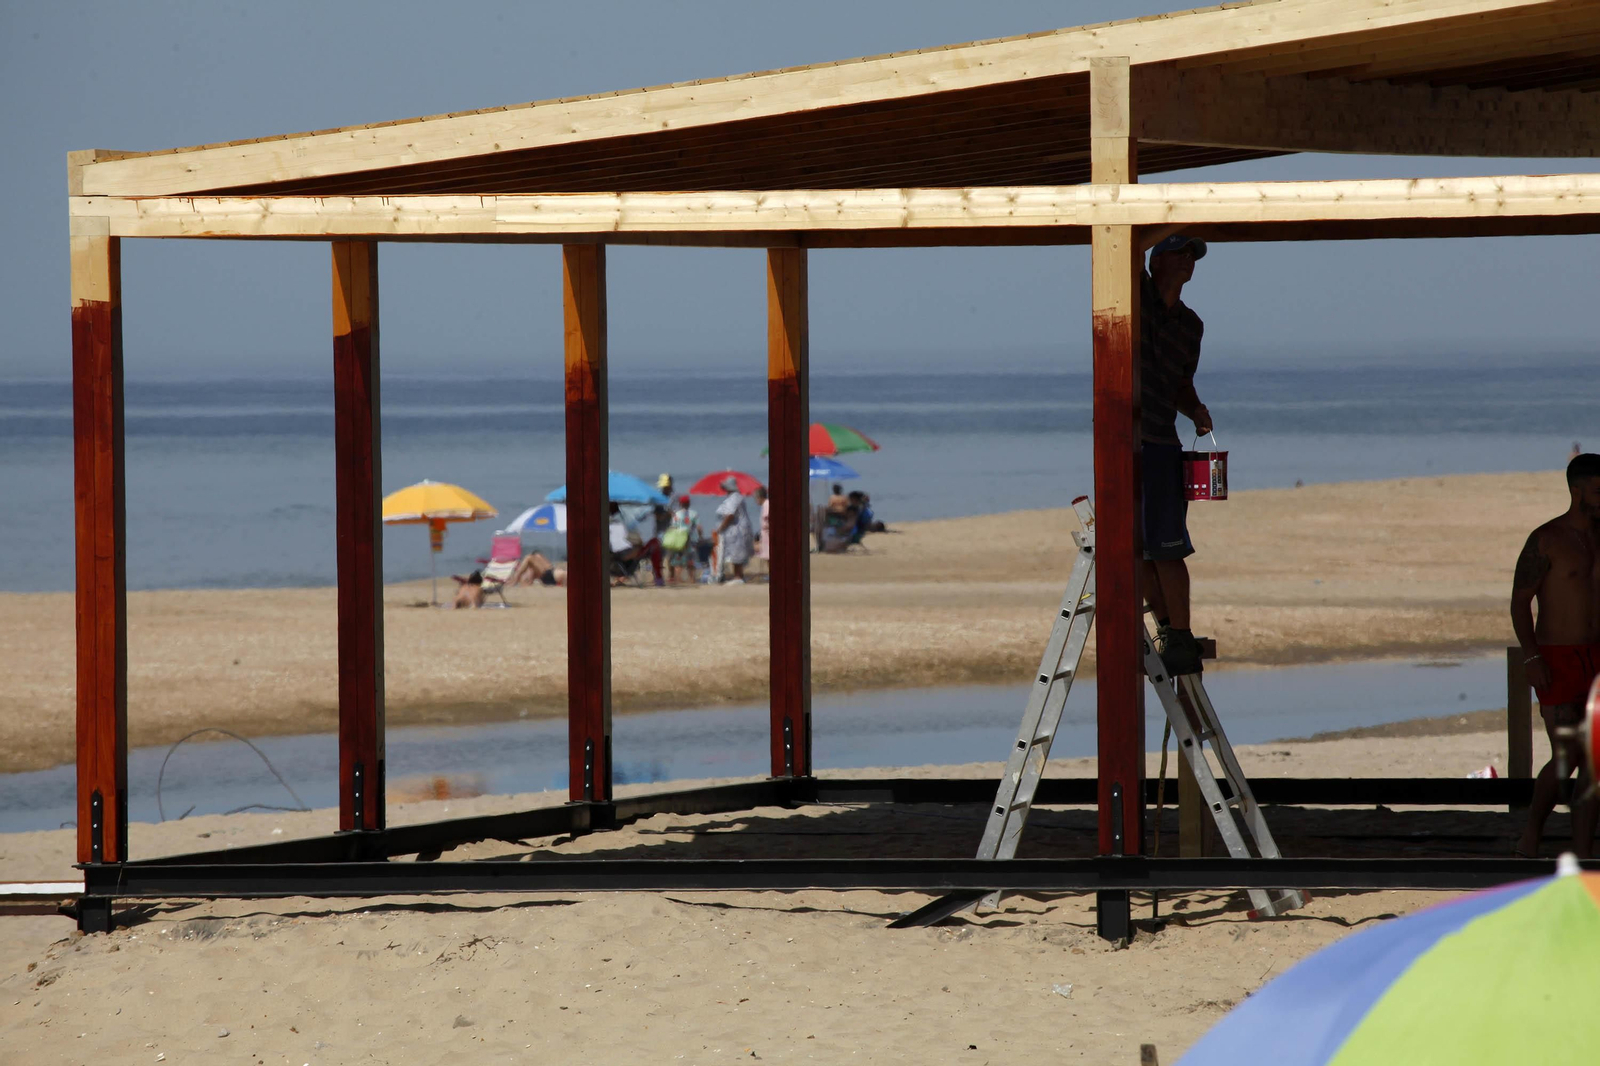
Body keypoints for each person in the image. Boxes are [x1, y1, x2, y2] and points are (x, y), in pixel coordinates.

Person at [1511, 452, 1600, 859]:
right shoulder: (1546, 538)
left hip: (1597, 657)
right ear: (1577, 490)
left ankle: (1582, 851)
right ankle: (1533, 830)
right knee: (1567, 756)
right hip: (1558, 657)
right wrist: (1532, 659)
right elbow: (1519, 604)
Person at [1139, 231, 1213, 676]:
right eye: (1179, 252)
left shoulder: (1191, 325)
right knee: (1134, 548)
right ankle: (1168, 627)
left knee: (1168, 546)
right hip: (1123, 441)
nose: (1188, 260)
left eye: (1193, 255)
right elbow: (1121, 249)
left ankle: (1180, 636)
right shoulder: (1133, 298)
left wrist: (1196, 409)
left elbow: (1182, 382)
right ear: (1156, 260)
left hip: (1163, 443)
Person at [713, 476, 754, 583]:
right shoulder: (736, 497)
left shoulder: (734, 498)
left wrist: (721, 528)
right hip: (736, 530)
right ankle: (739, 575)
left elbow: (730, 515)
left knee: (737, 553)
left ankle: (738, 576)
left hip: (736, 530)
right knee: (735, 552)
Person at [664, 494, 702, 584]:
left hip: (679, 540)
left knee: (678, 561)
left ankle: (678, 580)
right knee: (691, 561)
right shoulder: (694, 514)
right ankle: (692, 580)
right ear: (689, 503)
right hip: (691, 539)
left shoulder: (676, 514)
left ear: (680, 504)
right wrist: (700, 537)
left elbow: (673, 528)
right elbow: (699, 527)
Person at [755, 486, 771, 577]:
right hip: (765, 534)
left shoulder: (766, 504)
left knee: (769, 556)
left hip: (767, 534)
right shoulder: (766, 504)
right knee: (767, 556)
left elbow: (767, 517)